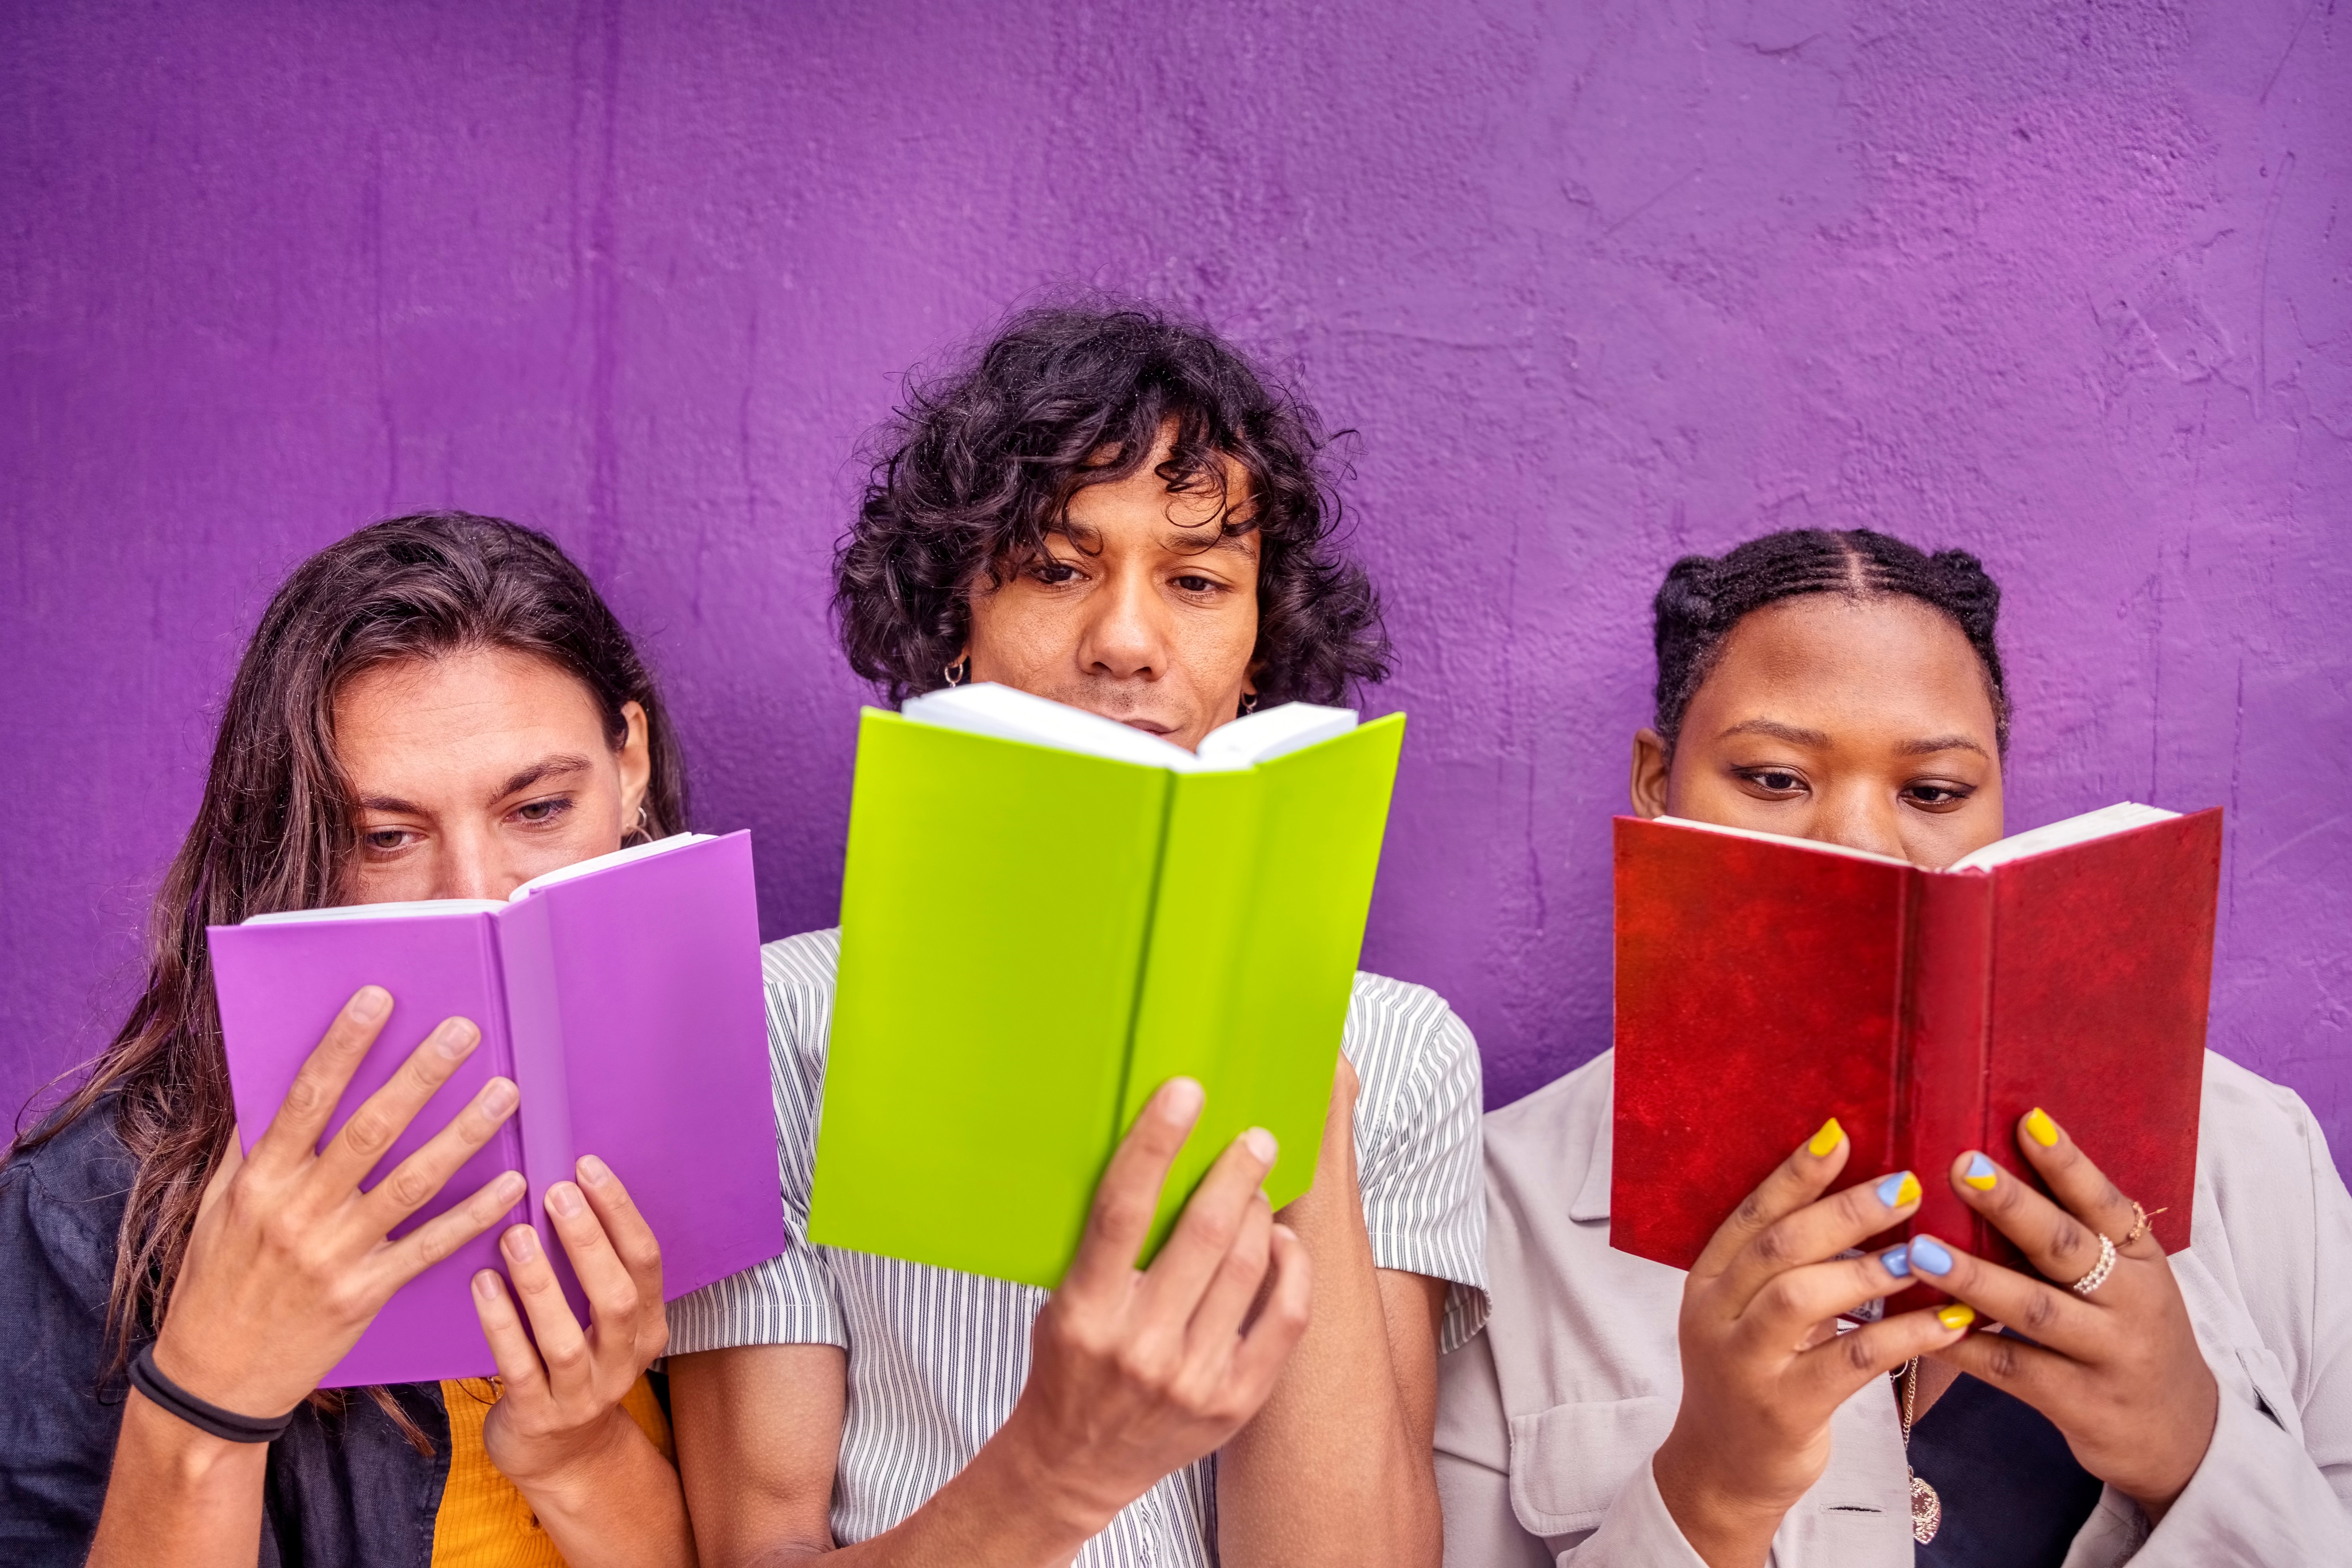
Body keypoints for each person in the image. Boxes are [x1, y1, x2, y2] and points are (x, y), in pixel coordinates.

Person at [663, 303, 1487, 1568]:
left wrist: (1286, 1026)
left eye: (1200, 581)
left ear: (1262, 648)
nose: (1125, 644)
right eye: (1057, 569)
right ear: (956, 624)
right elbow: (753, 1552)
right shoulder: (772, 1023)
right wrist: (1057, 1470)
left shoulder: (1405, 1049)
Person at [1435, 527, 2352, 1567]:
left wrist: (2196, 1450)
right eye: (1777, 778)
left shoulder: (2252, 1154)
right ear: (1658, 785)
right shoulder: (1494, 1212)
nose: (1861, 845)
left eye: (1934, 793)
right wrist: (1710, 1496)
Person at [1, 513, 699, 1568]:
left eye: (540, 807)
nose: (475, 891)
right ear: (299, 838)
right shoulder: (83, 1210)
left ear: (630, 763)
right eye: (386, 836)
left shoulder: (741, 1107)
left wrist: (579, 1447)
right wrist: (206, 1398)